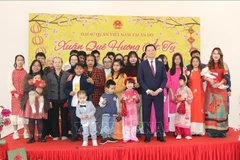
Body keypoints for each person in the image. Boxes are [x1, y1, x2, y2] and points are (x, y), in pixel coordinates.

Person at [138, 44, 167, 143]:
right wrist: (148, 90)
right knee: (146, 114)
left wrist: (160, 89)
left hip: (159, 93)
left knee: (160, 114)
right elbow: (140, 79)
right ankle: (147, 135)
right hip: (147, 93)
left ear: (155, 51)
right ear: (145, 52)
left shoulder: (160, 64)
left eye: (152, 50)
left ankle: (160, 134)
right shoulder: (142, 65)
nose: (151, 52)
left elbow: (164, 78)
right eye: (148, 50)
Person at [20, 60, 50, 143]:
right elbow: (25, 87)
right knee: (31, 119)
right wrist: (36, 90)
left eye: (38, 65)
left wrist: (41, 91)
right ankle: (31, 136)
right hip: (30, 101)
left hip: (41, 101)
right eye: (34, 65)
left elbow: (46, 89)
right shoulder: (27, 76)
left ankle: (40, 136)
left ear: (41, 67)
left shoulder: (43, 77)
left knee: (40, 119)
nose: (36, 67)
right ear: (31, 66)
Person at [65, 63, 94, 142]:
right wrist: (69, 92)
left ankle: (84, 134)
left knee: (84, 120)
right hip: (73, 103)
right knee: (74, 120)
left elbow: (92, 89)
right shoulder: (70, 78)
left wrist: (84, 93)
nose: (79, 70)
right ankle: (74, 134)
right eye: (77, 68)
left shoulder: (86, 78)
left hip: (83, 103)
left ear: (83, 70)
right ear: (74, 70)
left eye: (80, 68)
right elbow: (66, 88)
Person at [204, 47, 229, 138]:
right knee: (211, 111)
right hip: (210, 92)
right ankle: (212, 131)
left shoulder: (224, 65)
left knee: (221, 111)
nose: (216, 55)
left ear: (220, 55)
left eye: (218, 53)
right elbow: (202, 76)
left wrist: (219, 84)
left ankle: (222, 132)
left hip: (221, 92)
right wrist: (209, 79)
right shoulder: (208, 65)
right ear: (212, 55)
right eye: (214, 53)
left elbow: (226, 77)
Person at [47, 57, 70, 141]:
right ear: (53, 64)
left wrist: (68, 98)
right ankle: (55, 134)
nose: (57, 64)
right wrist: (49, 100)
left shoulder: (66, 74)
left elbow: (69, 87)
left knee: (64, 117)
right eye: (55, 62)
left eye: (59, 62)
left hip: (64, 98)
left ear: (62, 63)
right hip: (53, 98)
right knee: (54, 117)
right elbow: (48, 88)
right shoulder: (49, 75)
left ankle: (64, 134)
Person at [84, 54, 105, 135]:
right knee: (86, 116)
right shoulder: (83, 71)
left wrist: (94, 83)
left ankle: (97, 132)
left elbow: (103, 83)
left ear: (95, 61)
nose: (90, 62)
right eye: (88, 60)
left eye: (92, 60)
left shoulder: (99, 71)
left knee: (97, 115)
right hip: (85, 97)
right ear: (86, 61)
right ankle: (87, 133)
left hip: (97, 96)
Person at [8, 55, 29, 140]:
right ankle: (15, 132)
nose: (20, 62)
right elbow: (10, 83)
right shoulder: (11, 72)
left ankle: (25, 131)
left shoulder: (27, 72)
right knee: (15, 113)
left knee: (24, 113)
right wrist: (15, 93)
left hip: (25, 96)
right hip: (15, 97)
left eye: (22, 60)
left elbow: (29, 83)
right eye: (18, 60)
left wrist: (24, 93)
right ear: (15, 61)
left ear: (24, 62)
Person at [106, 59, 127, 140]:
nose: (115, 67)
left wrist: (113, 90)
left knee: (120, 115)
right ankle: (111, 134)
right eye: (114, 65)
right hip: (110, 98)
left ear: (121, 66)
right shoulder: (109, 75)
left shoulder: (123, 75)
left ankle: (120, 134)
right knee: (111, 115)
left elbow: (124, 86)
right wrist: (109, 92)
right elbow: (106, 86)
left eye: (117, 65)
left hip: (120, 97)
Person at [124, 51, 142, 136]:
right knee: (129, 111)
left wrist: (140, 84)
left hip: (139, 92)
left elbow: (144, 79)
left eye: (134, 57)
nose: (133, 58)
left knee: (137, 111)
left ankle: (137, 127)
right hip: (128, 94)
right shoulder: (125, 69)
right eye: (131, 57)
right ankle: (128, 129)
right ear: (128, 59)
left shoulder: (141, 68)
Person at [167, 53, 185, 132]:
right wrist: (172, 94)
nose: (177, 60)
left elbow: (185, 82)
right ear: (173, 60)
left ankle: (180, 129)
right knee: (173, 111)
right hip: (172, 93)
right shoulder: (170, 70)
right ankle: (173, 129)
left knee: (181, 110)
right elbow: (168, 83)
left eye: (179, 59)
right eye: (175, 59)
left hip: (182, 94)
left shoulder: (184, 70)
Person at [188, 56, 205, 136]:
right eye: (193, 61)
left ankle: (200, 130)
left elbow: (205, 84)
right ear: (191, 63)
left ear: (199, 62)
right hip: (191, 95)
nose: (195, 63)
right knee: (192, 111)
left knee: (199, 111)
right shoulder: (188, 72)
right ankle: (192, 130)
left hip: (200, 95)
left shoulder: (202, 73)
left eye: (197, 61)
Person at [99, 80, 119, 144]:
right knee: (105, 125)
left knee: (112, 125)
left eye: (114, 88)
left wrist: (118, 111)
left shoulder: (115, 96)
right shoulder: (103, 96)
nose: (113, 90)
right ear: (107, 88)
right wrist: (103, 102)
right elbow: (101, 105)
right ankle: (104, 136)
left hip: (113, 114)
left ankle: (110, 136)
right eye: (112, 88)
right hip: (106, 114)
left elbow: (117, 105)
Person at [121, 77, 140, 143]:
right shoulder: (124, 92)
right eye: (128, 83)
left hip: (133, 111)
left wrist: (136, 98)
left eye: (131, 83)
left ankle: (133, 136)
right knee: (126, 124)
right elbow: (121, 100)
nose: (130, 85)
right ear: (125, 85)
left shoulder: (135, 92)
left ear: (134, 84)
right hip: (127, 111)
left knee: (133, 124)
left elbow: (138, 100)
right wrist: (124, 99)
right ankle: (126, 137)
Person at [175, 74, 193, 140]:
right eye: (179, 80)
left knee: (185, 120)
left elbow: (191, 97)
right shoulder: (178, 89)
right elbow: (176, 97)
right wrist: (177, 98)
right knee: (178, 119)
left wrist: (185, 99)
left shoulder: (188, 89)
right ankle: (179, 133)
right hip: (179, 106)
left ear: (185, 81)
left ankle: (187, 134)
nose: (179, 81)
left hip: (186, 107)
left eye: (181, 80)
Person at [155, 54, 170, 135]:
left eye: (163, 60)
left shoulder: (168, 71)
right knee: (155, 112)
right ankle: (156, 129)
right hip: (155, 93)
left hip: (164, 93)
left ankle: (162, 129)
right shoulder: (154, 71)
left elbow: (168, 83)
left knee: (163, 112)